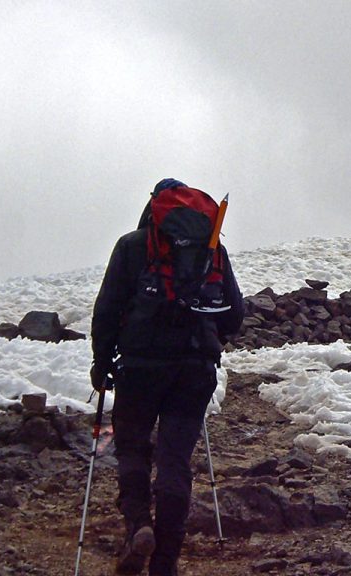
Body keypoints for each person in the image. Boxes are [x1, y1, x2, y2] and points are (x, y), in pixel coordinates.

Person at [90, 178, 244, 576]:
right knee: (175, 459)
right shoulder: (213, 250)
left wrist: (102, 361)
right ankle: (165, 563)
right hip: (194, 369)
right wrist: (210, 341)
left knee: (133, 448)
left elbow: (107, 309)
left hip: (140, 367)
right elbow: (234, 315)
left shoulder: (131, 246)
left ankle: (139, 526)